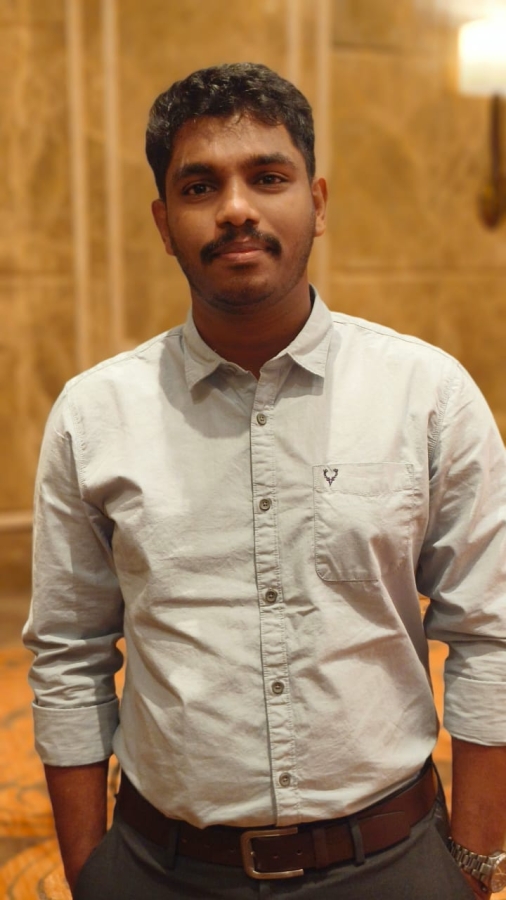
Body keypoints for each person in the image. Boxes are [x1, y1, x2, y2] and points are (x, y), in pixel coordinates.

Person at [23, 62, 506, 900]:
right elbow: (68, 653)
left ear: (317, 203)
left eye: (268, 178)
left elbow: (490, 634)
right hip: (160, 869)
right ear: (164, 223)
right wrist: (91, 874)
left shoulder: (426, 395)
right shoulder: (94, 415)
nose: (236, 208)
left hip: (392, 863)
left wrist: (472, 866)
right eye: (200, 186)